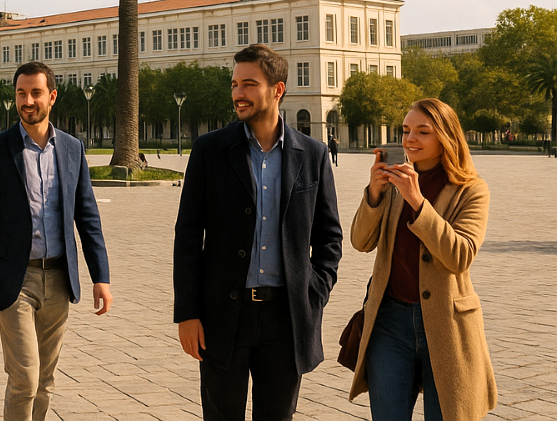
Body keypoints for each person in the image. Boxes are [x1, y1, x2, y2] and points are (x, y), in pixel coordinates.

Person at [173, 43, 343, 420]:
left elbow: (329, 237)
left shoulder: (312, 154)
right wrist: (187, 312)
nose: (238, 93)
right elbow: (187, 237)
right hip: (222, 316)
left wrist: (315, 292)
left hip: (287, 317)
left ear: (277, 90)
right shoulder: (210, 150)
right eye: (234, 85)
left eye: (249, 84)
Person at [0, 61, 112, 421]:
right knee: (25, 379)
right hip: (15, 280)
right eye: (21, 93)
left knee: (45, 381)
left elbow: (87, 216)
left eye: (35, 93)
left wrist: (101, 276)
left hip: (59, 279)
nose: (27, 101)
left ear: (52, 97)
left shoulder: (72, 150)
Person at [348, 99, 496, 421]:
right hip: (389, 323)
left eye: (422, 131)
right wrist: (374, 193)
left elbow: (460, 255)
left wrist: (417, 201)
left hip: (447, 324)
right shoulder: (392, 182)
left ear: (445, 137)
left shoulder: (471, 190)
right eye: (405, 130)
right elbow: (360, 242)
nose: (410, 139)